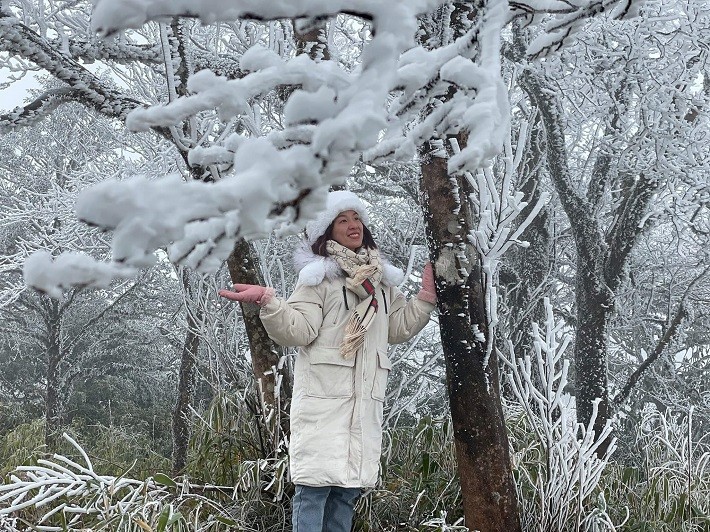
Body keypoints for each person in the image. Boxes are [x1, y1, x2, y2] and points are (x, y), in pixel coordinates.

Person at [218, 190, 437, 532]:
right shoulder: (319, 279)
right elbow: (298, 331)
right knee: (314, 491)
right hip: (324, 403)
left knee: (345, 493)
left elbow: (397, 327)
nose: (353, 225)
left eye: (356, 218)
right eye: (342, 220)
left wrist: (425, 299)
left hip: (363, 405)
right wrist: (268, 302)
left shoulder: (379, 283)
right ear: (327, 231)